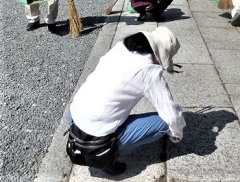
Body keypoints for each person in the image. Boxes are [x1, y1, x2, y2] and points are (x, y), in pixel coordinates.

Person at [68, 26, 185, 177]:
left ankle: (89, 143)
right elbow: (170, 114)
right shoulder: (149, 71)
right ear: (159, 55)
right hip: (98, 134)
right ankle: (108, 155)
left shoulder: (120, 47)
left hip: (74, 115)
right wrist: (177, 133)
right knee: (164, 124)